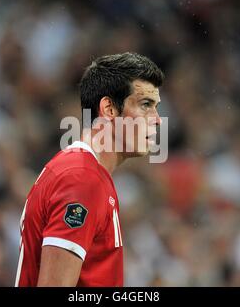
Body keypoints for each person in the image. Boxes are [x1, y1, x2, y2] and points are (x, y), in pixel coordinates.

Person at [15, 52, 164, 287]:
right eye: (146, 105)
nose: (158, 120)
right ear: (109, 109)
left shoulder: (86, 172)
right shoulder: (81, 179)